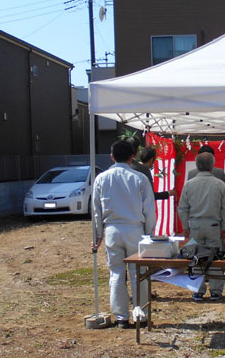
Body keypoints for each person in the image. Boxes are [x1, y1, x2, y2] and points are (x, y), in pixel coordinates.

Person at [91, 140, 156, 328]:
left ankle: (121, 317)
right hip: (135, 229)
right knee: (139, 273)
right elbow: (149, 210)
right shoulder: (140, 179)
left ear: (111, 157)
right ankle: (141, 315)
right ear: (133, 156)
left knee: (116, 273)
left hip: (111, 229)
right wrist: (148, 233)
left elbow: (96, 210)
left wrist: (97, 235)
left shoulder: (101, 178)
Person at [178, 152, 225, 302]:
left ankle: (198, 290)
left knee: (196, 258)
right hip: (214, 225)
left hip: (195, 224)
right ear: (212, 165)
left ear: (196, 165)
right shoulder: (219, 184)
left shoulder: (189, 184)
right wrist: (224, 225)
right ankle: (216, 290)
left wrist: (184, 225)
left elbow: (182, 208)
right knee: (215, 259)